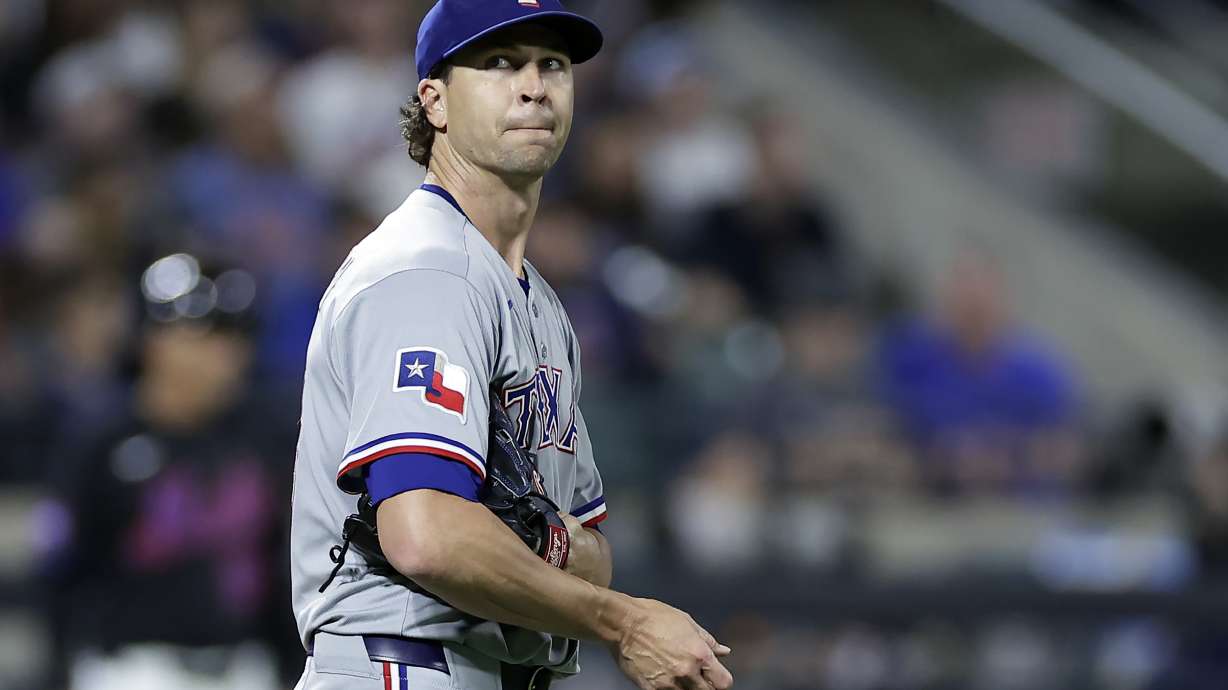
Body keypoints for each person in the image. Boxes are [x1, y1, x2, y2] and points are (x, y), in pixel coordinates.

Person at [289, 2, 734, 690]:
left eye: (551, 64)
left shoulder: (541, 304)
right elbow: (427, 536)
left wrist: (530, 539)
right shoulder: (426, 271)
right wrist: (623, 622)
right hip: (402, 664)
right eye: (499, 63)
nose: (534, 85)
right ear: (434, 102)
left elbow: (593, 555)